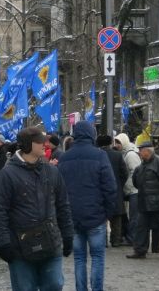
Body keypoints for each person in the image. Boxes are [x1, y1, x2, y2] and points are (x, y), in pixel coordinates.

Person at [0, 127, 74, 291]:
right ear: (28, 145)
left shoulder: (52, 171)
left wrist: (68, 234)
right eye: (40, 141)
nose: (45, 144)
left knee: (55, 285)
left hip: (51, 243)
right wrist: (3, 243)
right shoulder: (7, 175)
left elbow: (63, 206)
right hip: (19, 248)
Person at [58, 122, 117, 291]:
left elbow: (59, 190)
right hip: (96, 215)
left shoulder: (64, 157)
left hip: (73, 216)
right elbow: (110, 187)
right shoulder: (100, 155)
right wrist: (108, 213)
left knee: (79, 258)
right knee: (97, 257)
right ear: (92, 135)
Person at [126, 141, 159, 259]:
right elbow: (137, 182)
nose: (139, 152)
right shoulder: (142, 165)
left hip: (158, 202)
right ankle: (140, 251)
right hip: (143, 202)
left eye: (141, 150)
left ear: (147, 151)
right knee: (141, 227)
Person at [97, 134, 128, 247]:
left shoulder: (96, 156)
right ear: (110, 143)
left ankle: (103, 241)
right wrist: (119, 184)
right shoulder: (118, 155)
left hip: (100, 190)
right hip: (116, 189)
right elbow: (125, 173)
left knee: (102, 217)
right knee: (117, 216)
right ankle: (116, 240)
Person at [114, 133, 141, 245]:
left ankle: (132, 239)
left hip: (134, 190)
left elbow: (136, 172)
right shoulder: (124, 153)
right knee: (129, 215)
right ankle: (130, 237)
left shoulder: (130, 155)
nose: (117, 145)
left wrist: (126, 183)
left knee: (134, 216)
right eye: (116, 142)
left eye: (119, 143)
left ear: (124, 142)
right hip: (129, 190)